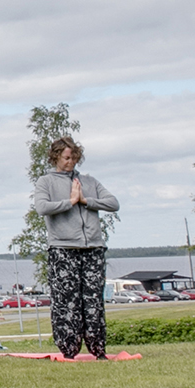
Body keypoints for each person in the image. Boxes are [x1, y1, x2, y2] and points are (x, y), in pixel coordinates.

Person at [30, 136, 120, 359]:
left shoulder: (89, 182)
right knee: (66, 301)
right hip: (63, 248)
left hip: (93, 248)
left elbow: (113, 203)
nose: (71, 162)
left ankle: (99, 350)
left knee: (93, 301)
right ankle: (68, 350)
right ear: (56, 157)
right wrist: (69, 202)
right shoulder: (46, 182)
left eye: (75, 157)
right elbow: (41, 207)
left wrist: (85, 200)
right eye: (67, 157)